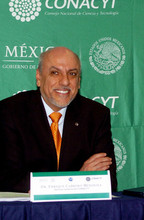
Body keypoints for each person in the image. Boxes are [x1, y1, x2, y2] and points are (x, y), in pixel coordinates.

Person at [0, 47, 117, 192]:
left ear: (79, 81)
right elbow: (8, 179)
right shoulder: (10, 112)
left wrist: (45, 186)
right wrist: (77, 180)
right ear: (39, 77)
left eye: (72, 74)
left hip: (78, 212)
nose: (65, 82)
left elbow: (106, 181)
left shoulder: (96, 115)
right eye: (55, 73)